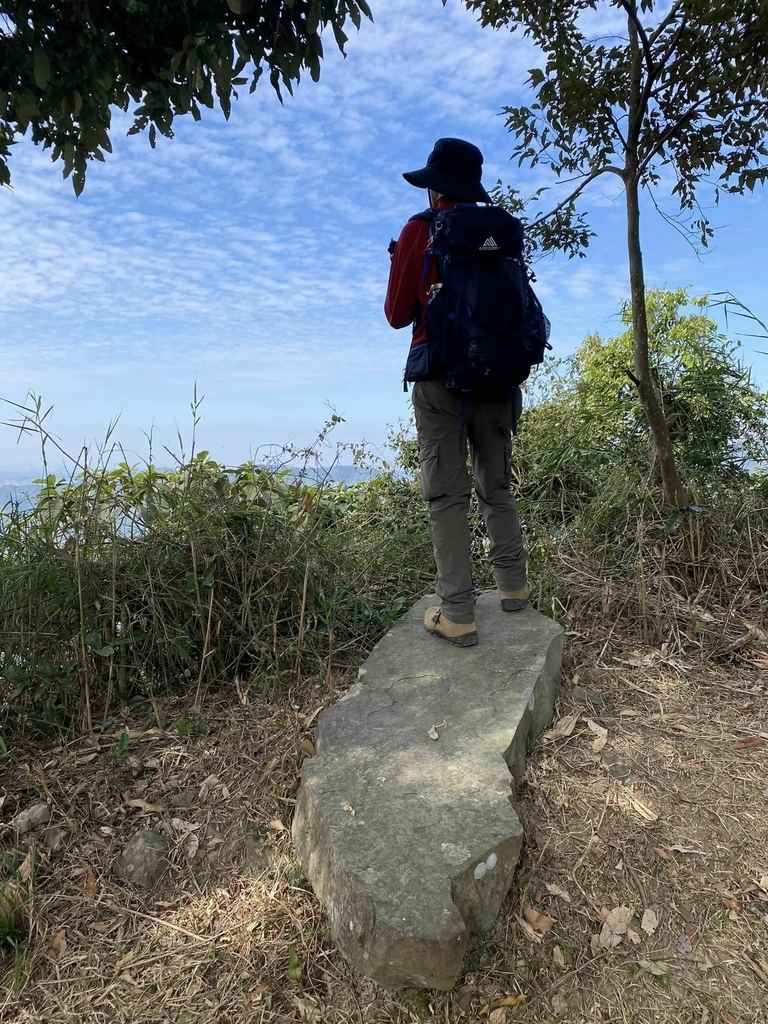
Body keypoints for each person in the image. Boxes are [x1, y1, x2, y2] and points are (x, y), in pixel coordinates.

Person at [384, 137, 529, 648]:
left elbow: (397, 314)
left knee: (447, 495)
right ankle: (513, 589)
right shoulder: (501, 227)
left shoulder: (420, 230)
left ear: (434, 189)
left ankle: (458, 614)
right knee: (497, 486)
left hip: (440, 377)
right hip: (499, 374)